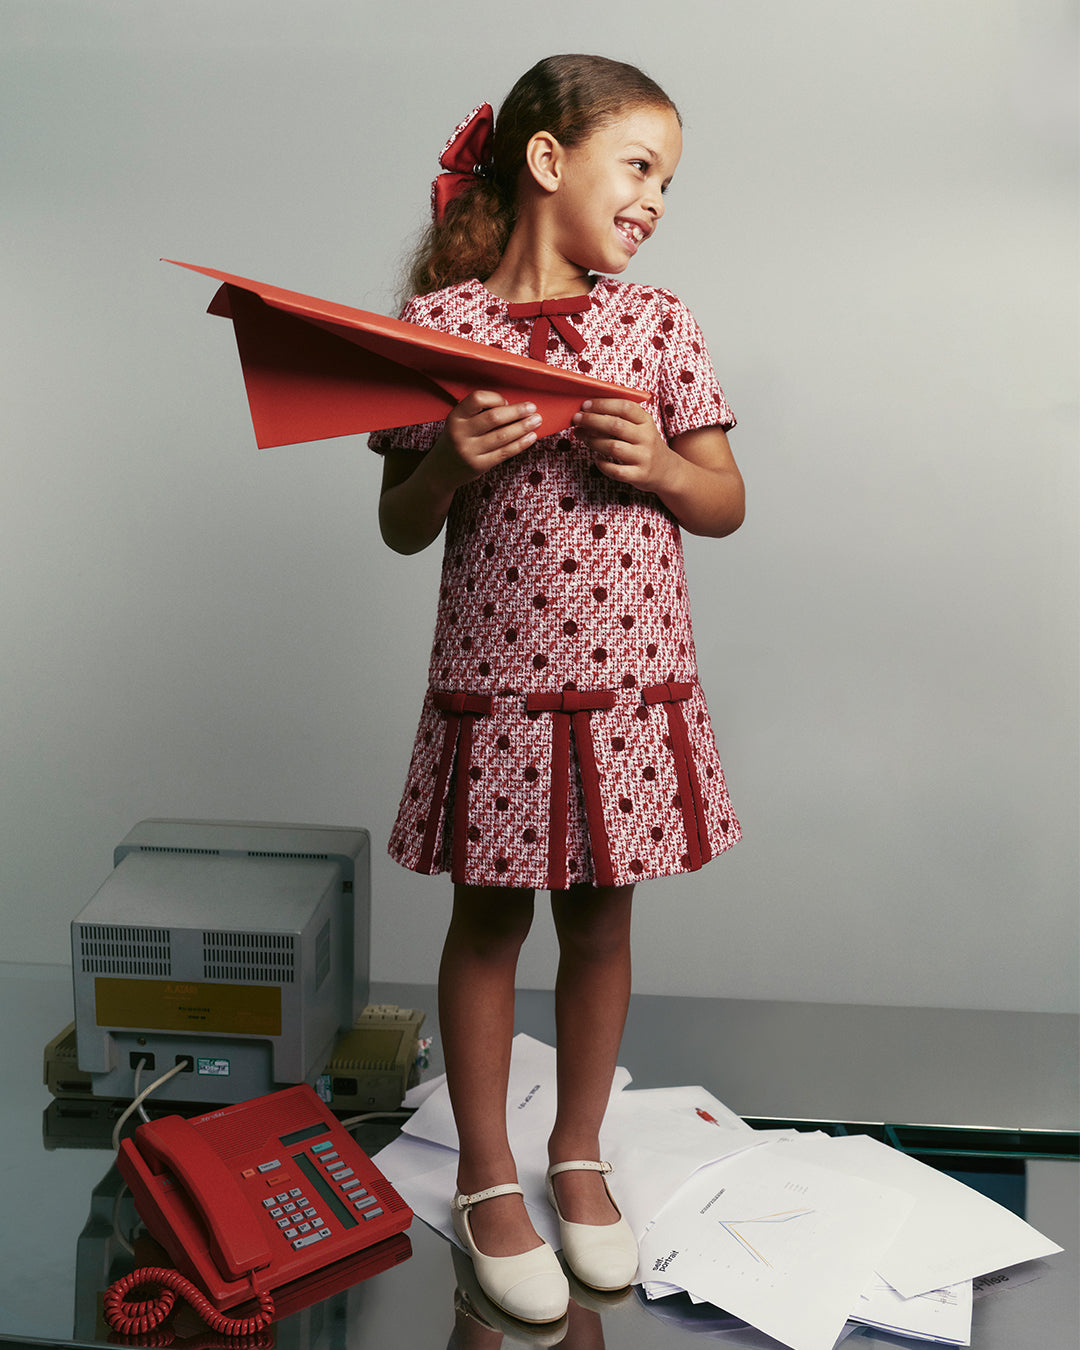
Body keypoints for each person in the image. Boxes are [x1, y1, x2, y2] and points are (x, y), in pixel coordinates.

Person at [372, 53, 744, 1325]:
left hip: (627, 689)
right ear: (547, 160)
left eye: (667, 182)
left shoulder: (661, 325)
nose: (654, 202)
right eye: (638, 168)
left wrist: (663, 469)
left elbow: (725, 499)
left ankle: (576, 1154)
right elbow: (400, 525)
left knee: (600, 926)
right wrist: (447, 465)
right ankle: (489, 1177)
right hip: (497, 686)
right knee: (488, 925)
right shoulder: (437, 329)